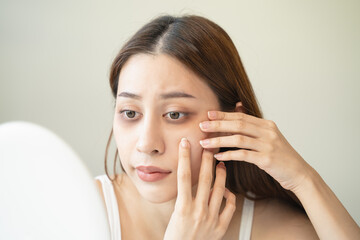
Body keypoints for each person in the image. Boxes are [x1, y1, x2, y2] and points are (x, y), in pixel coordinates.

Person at [94, 14, 360, 239]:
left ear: (230, 123)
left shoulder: (277, 229)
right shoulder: (77, 207)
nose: (146, 144)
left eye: (175, 114)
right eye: (130, 112)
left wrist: (305, 179)